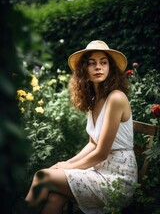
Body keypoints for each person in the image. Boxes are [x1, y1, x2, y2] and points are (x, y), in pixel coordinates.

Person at [25, 40, 138, 214]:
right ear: (84, 70)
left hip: (117, 179)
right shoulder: (94, 100)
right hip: (99, 171)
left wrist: (67, 168)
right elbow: (93, 143)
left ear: (111, 67)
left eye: (103, 62)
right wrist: (66, 163)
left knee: (43, 177)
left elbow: (101, 153)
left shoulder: (116, 98)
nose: (98, 67)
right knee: (56, 196)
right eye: (92, 63)